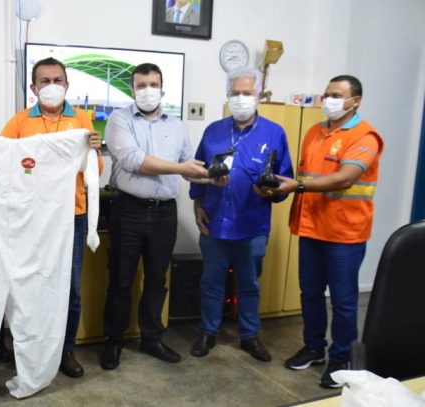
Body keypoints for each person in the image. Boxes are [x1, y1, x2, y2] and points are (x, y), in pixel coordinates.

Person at [264, 75, 384, 388]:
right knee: (310, 293)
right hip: (311, 226)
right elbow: (306, 174)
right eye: (327, 94)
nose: (329, 100)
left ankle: (341, 358)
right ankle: (314, 347)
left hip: (344, 233)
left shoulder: (365, 135)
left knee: (343, 301)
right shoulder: (315, 132)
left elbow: (346, 178)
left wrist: (298, 186)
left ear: (355, 101)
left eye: (337, 95)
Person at [100, 63, 209, 370]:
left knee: (158, 280)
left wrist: (210, 178)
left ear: (162, 88)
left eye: (153, 85)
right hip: (129, 210)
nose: (148, 90)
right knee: (120, 279)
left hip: (164, 213)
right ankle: (114, 340)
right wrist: (181, 168)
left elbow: (188, 166)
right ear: (132, 89)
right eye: (141, 85)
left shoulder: (175, 125)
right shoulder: (119, 119)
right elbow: (133, 160)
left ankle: (152, 338)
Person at [1, 57, 103, 378]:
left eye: (57, 80)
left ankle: (66, 350)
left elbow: (95, 171)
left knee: (69, 289)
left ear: (67, 85)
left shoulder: (83, 119)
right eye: (44, 81)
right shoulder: (19, 122)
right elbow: (1, 162)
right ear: (33, 88)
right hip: (31, 218)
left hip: (72, 217)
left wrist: (95, 150)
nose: (51, 86)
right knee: (30, 285)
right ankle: (29, 349)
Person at [188, 67, 293, 362]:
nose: (241, 98)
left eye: (247, 92)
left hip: (252, 225)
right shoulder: (213, 131)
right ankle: (208, 332)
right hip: (214, 223)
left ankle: (249, 335)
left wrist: (273, 191)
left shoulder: (274, 133)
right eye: (235, 93)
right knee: (211, 282)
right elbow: (197, 172)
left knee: (249, 284)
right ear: (227, 95)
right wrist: (197, 207)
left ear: (258, 95)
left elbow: (284, 181)